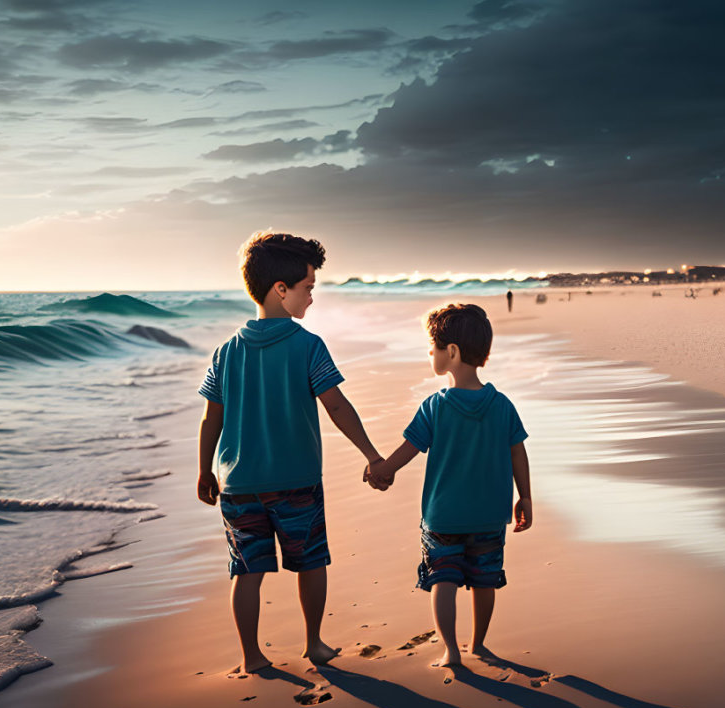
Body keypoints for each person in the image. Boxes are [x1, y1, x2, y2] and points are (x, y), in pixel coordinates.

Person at [196, 231, 386, 674]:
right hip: (297, 480)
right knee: (311, 562)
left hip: (238, 485)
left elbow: (211, 420)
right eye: (308, 288)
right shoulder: (307, 345)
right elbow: (336, 405)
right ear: (281, 290)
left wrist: (204, 471)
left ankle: (251, 656)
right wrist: (372, 455)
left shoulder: (226, 352)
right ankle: (314, 644)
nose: (312, 299)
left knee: (245, 571)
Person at [365, 304, 532, 668]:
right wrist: (526, 497)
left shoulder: (435, 407)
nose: (431, 353)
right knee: (485, 581)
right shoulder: (502, 405)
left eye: (433, 347)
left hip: (444, 518)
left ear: (452, 352)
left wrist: (381, 470)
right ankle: (480, 645)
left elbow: (408, 450)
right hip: (489, 516)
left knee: (443, 581)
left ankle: (451, 651)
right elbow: (518, 454)